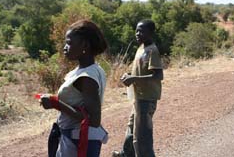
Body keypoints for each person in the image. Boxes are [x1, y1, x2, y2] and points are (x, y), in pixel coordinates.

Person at [40, 19, 108, 157]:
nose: (65, 47)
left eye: (69, 43)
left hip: (78, 141)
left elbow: (94, 120)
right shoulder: (94, 69)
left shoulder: (86, 76)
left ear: (85, 45)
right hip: (74, 137)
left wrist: (56, 104)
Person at [112, 19, 163, 157]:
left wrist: (134, 79)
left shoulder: (152, 51)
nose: (138, 33)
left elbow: (158, 75)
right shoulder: (141, 49)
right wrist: (129, 75)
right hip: (138, 98)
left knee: (142, 139)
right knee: (131, 129)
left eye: (142, 31)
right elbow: (141, 71)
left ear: (151, 33)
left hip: (147, 99)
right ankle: (125, 154)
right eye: (137, 30)